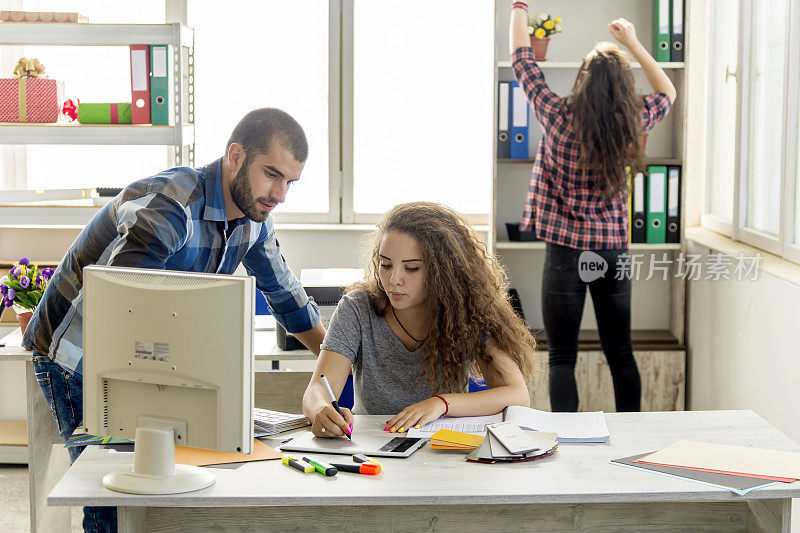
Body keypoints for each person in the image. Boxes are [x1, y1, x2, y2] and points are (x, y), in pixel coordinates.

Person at [22, 108, 326, 533]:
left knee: (175, 479)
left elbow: (286, 295)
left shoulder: (254, 219)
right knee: (115, 489)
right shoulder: (170, 206)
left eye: (290, 182)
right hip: (79, 354)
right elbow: (124, 309)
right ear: (236, 156)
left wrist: (336, 370)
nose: (280, 193)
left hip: (148, 352)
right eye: (271, 174)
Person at [509, 4, 676, 412]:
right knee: (621, 352)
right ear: (623, 85)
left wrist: (517, 8)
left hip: (565, 251)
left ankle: (567, 442)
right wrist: (633, 43)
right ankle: (632, 439)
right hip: (612, 250)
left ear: (582, 79)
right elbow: (668, 91)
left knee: (563, 357)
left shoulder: (556, 115)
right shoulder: (634, 120)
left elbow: (521, 59)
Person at [302, 202, 535, 437]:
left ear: (443, 271)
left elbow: (517, 394)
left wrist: (441, 404)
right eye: (386, 264)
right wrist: (320, 409)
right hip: (371, 448)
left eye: (411, 268)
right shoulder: (357, 308)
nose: (394, 279)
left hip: (441, 449)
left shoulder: (470, 313)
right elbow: (316, 389)